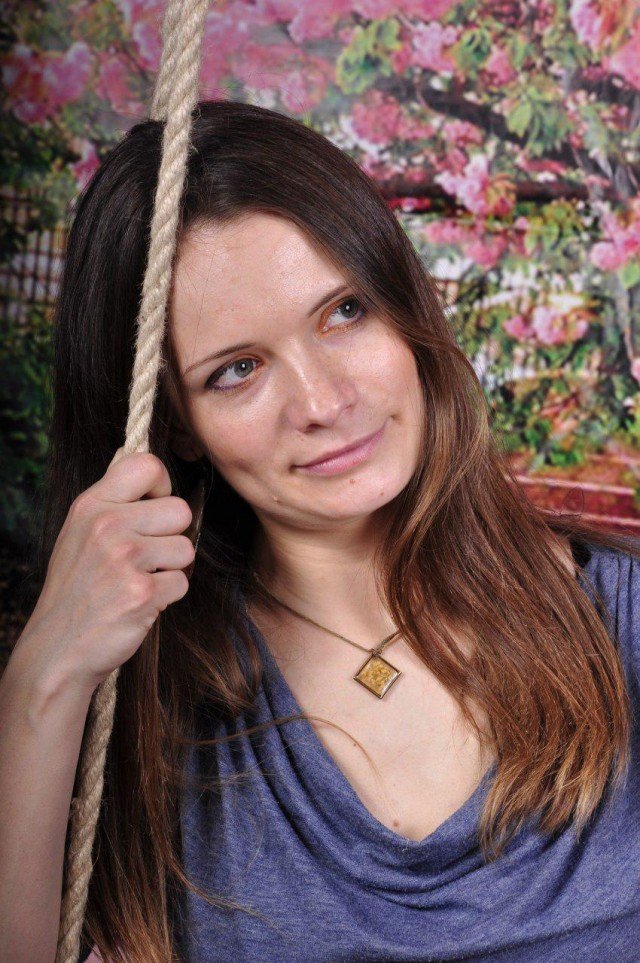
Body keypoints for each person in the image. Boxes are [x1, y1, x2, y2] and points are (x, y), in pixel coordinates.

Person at [1, 100, 639, 963]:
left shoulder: (621, 619)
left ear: (402, 307)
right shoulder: (142, 704)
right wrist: (42, 678)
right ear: (176, 424)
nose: (324, 402)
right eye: (237, 369)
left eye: (345, 312)